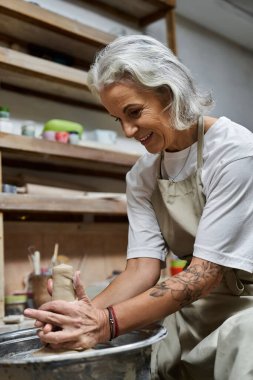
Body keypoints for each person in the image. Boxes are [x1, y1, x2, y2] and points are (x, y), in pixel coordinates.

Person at [24, 35, 253, 379]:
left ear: (170, 92)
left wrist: (104, 323)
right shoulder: (142, 176)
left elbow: (204, 274)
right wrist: (80, 314)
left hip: (245, 311)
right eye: (118, 119)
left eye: (133, 112)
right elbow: (142, 270)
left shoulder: (235, 153)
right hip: (192, 307)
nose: (129, 130)